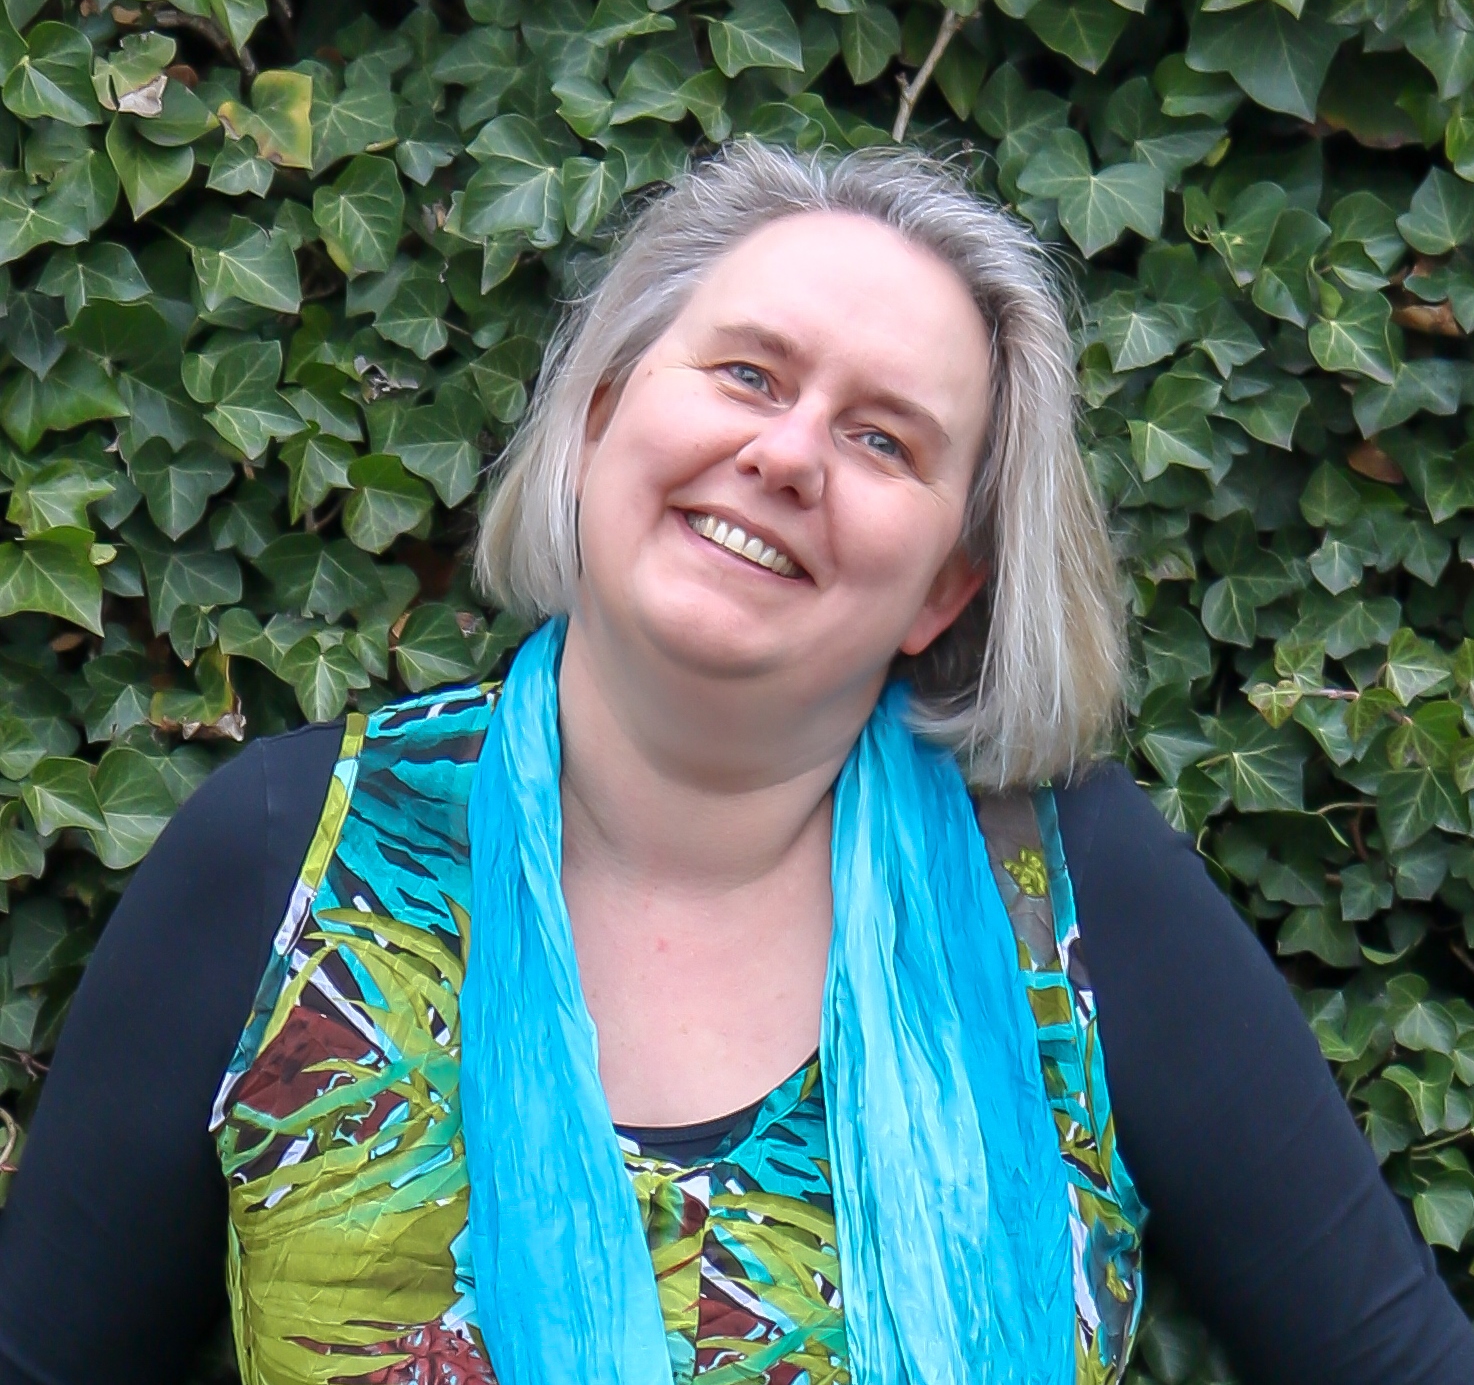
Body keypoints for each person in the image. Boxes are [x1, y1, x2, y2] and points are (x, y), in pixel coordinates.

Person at [0, 141, 1470, 1385]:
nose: (788, 455)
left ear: (944, 590)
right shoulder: (289, 858)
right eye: (748, 374)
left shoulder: (1069, 901)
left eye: (884, 441)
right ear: (600, 416)